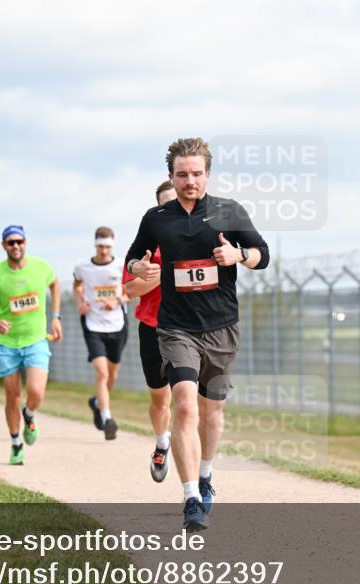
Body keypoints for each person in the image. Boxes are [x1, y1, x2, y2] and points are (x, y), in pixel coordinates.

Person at [126, 137, 269, 530]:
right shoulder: (157, 218)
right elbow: (133, 256)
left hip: (222, 326)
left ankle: (206, 474)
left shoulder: (229, 211)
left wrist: (239, 255)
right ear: (171, 176)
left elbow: (263, 253)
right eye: (182, 174)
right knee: (185, 405)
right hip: (176, 328)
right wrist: (141, 269)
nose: (190, 180)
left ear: (208, 173)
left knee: (212, 411)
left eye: (196, 173)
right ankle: (191, 497)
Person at [0, 225, 62, 465]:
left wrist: (56, 316)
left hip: (35, 340)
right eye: (10, 242)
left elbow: (55, 284)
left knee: (36, 392)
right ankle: (15, 443)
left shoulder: (40, 267)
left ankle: (30, 414)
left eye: (19, 242)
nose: (15, 246)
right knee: (12, 396)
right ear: (4, 246)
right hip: (6, 344)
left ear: (25, 243)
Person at [122, 180, 178, 482]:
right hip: (153, 328)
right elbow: (129, 291)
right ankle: (161, 444)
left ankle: (195, 475)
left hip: (191, 328)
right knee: (161, 400)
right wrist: (162, 273)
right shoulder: (145, 244)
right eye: (166, 205)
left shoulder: (200, 237)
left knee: (187, 401)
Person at [74, 226, 128, 441]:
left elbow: (131, 291)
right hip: (93, 324)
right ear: (95, 245)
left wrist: (117, 301)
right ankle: (107, 419)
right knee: (102, 373)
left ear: (112, 246)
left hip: (117, 325)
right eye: (100, 247)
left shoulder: (122, 265)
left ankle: (97, 403)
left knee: (112, 374)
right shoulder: (82, 267)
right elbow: (77, 285)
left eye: (107, 247)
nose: (104, 251)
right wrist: (80, 302)